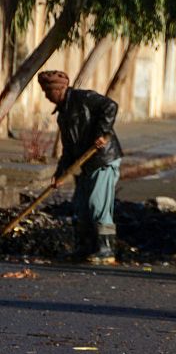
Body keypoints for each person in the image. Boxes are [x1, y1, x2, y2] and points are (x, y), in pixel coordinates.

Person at [38, 70, 123, 264]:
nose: (46, 96)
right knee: (82, 206)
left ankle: (106, 250)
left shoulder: (83, 98)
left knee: (97, 204)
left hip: (102, 158)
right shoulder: (62, 115)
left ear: (59, 90)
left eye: (47, 92)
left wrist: (102, 132)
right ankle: (85, 248)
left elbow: (110, 106)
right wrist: (60, 173)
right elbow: (68, 149)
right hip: (84, 163)